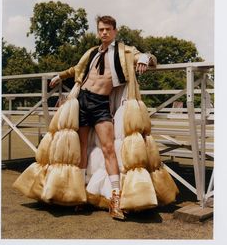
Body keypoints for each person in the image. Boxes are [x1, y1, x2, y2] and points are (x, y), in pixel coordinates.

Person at [49, 15, 157, 220]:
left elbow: (145, 57)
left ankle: (115, 200)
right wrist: (60, 76)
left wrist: (145, 58)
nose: (104, 33)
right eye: (101, 29)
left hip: (100, 103)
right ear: (98, 32)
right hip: (81, 101)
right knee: (80, 148)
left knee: (109, 149)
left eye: (108, 29)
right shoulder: (91, 52)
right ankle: (79, 195)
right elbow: (77, 69)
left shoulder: (124, 50)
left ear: (115, 31)